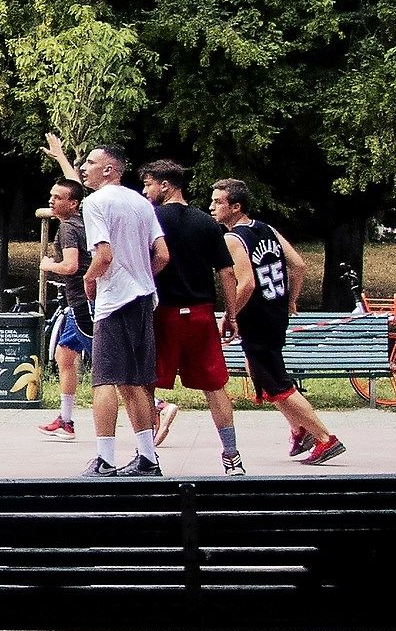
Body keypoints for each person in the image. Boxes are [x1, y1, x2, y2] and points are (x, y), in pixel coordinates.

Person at [210, 178, 344, 465]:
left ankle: (324, 437)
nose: (212, 207)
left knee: (276, 381)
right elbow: (297, 264)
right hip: (275, 313)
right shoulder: (265, 228)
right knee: (264, 376)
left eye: (218, 202)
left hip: (257, 317)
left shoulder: (232, 239)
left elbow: (246, 284)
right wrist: (290, 299)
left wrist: (229, 316)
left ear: (235, 207)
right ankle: (298, 428)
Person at [140, 160, 247, 475]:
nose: (145, 191)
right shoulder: (207, 223)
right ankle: (232, 457)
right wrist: (231, 314)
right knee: (215, 387)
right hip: (200, 314)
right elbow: (227, 273)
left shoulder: (152, 219)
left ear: (166, 185)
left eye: (148, 184)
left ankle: (148, 457)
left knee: (147, 386)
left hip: (163, 313)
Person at [77, 144, 170, 476]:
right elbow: (161, 255)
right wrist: (140, 275)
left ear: (109, 169)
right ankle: (147, 458)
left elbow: (103, 256)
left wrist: (89, 281)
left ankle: (105, 459)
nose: (82, 167)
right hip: (144, 297)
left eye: (90, 162)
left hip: (115, 300)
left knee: (104, 381)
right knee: (134, 382)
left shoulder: (95, 203)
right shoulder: (141, 202)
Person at [36, 169, 93, 442]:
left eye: (58, 198)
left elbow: (71, 266)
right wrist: (60, 157)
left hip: (83, 304)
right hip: (77, 305)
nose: (52, 201)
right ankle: (66, 420)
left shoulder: (69, 227)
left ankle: (157, 406)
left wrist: (48, 266)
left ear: (73, 204)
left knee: (109, 365)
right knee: (65, 355)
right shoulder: (83, 221)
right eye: (51, 196)